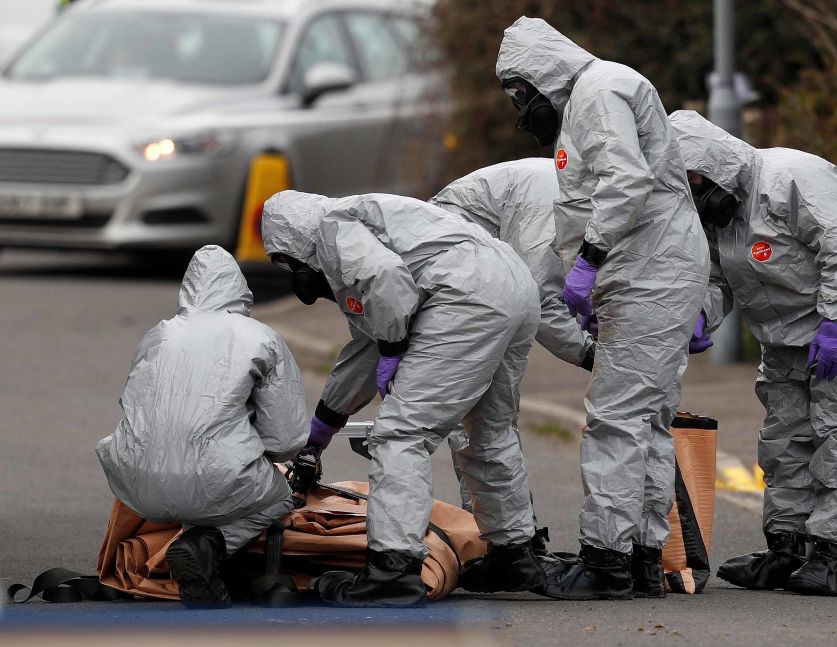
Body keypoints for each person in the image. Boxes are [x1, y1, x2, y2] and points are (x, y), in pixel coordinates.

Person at [496, 17, 711, 600]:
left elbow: (624, 177)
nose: (521, 111)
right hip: (646, 271)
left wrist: (590, 258)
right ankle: (641, 556)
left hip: (649, 272)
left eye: (520, 94)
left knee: (616, 417)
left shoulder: (597, 90)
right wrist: (593, 278)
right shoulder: (593, 98)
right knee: (645, 419)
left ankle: (605, 562)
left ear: (541, 74)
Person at [261, 190, 544, 606]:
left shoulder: (332, 228)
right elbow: (364, 350)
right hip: (512, 285)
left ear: (293, 242)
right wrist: (318, 436)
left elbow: (387, 283)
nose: (302, 276)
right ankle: (514, 553)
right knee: (487, 430)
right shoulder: (371, 221)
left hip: (465, 295)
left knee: (401, 435)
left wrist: (394, 348)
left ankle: (393, 570)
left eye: (293, 264)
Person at [669, 110, 837, 597]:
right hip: (783, 338)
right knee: (783, 444)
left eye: (694, 179)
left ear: (713, 162)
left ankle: (835, 560)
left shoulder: (794, 177)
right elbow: (713, 277)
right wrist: (699, 315)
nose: (694, 193)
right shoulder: (716, 215)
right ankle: (785, 550)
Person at [96, 245, 309, 608]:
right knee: (276, 497)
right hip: (215, 478)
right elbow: (286, 440)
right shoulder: (260, 337)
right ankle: (207, 545)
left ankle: (198, 562)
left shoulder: (157, 335)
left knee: (199, 486)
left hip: (135, 481)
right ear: (241, 291)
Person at [429, 157, 593, 526]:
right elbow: (541, 297)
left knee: (491, 414)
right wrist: (587, 352)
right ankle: (500, 537)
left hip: (489, 271)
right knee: (478, 413)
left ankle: (509, 536)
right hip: (460, 271)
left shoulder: (585, 193)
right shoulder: (554, 203)